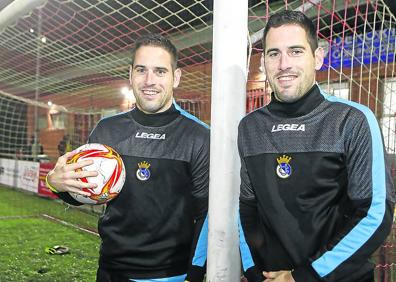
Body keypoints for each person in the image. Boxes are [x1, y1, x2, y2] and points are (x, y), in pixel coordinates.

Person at [238, 10, 394, 282]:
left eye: (295, 51)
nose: (284, 63)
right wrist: (254, 271)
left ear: (318, 58)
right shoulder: (250, 127)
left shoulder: (351, 120)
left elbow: (374, 213)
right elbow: (246, 209)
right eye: (274, 54)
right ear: (264, 63)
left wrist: (305, 275)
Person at [46, 34, 209, 282]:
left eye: (160, 71)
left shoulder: (199, 137)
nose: (149, 81)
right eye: (141, 70)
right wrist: (57, 184)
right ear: (130, 74)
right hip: (111, 269)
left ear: (176, 77)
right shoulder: (107, 130)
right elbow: (84, 193)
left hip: (169, 275)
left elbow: (207, 214)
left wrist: (194, 275)